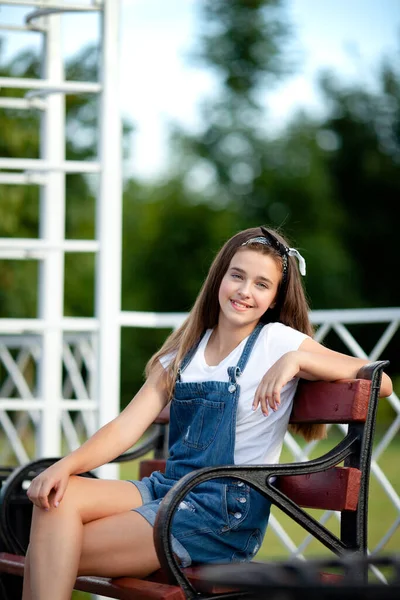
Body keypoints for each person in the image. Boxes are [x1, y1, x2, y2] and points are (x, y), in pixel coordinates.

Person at [23, 226, 392, 600]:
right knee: (59, 499)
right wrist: (65, 466)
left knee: (47, 548)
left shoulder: (276, 340)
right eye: (237, 276)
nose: (245, 291)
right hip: (169, 490)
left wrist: (297, 359)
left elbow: (383, 383)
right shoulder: (184, 352)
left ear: (274, 299)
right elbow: (123, 429)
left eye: (262, 284)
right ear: (220, 278)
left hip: (221, 513)